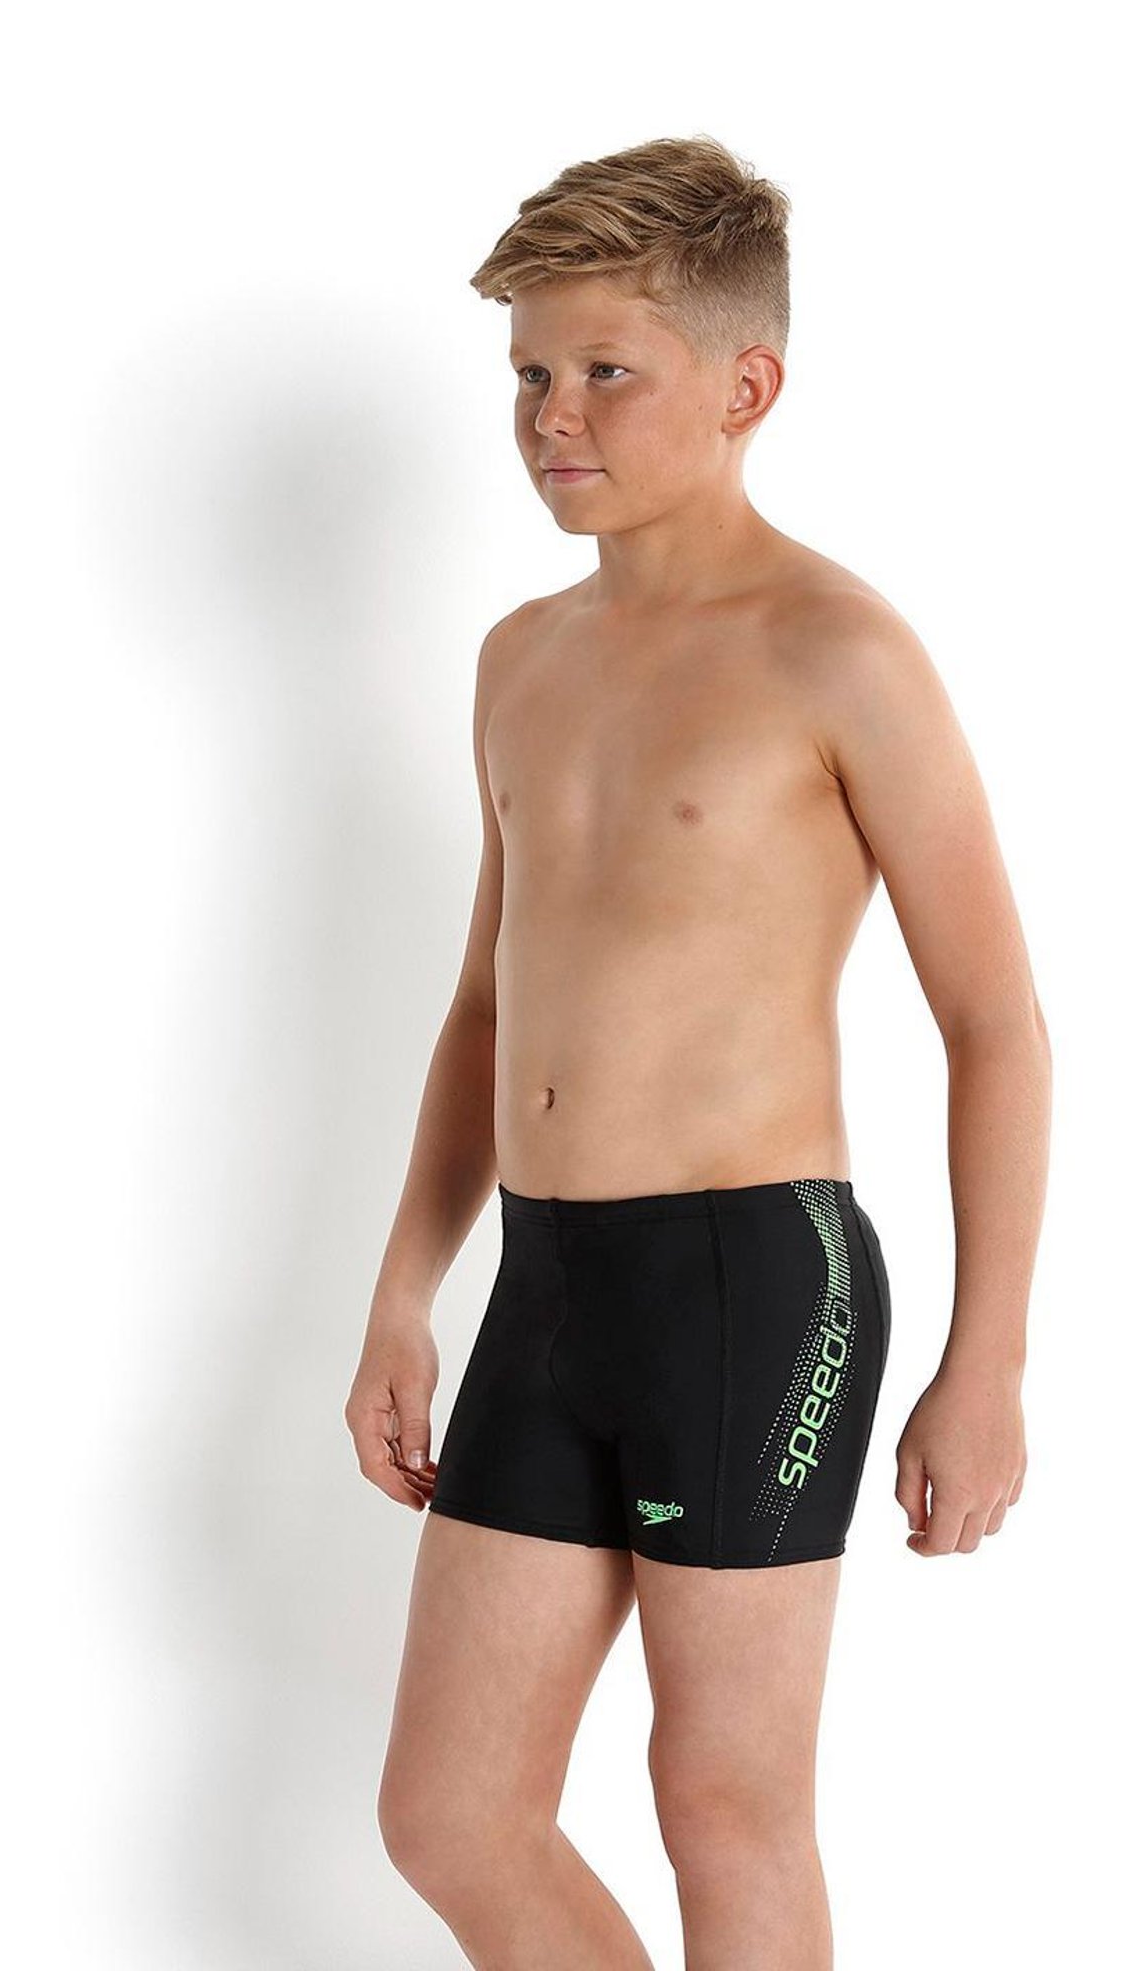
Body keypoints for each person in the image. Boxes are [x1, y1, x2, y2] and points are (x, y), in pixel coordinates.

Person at [345, 133, 1050, 1970]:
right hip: (545, 1278)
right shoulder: (519, 658)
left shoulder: (840, 652)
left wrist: (986, 1363)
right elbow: (487, 1003)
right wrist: (406, 1290)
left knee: (724, 1806)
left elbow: (993, 1020)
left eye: (605, 370)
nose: (551, 418)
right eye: (527, 374)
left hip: (751, 1280)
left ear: (749, 388)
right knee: (451, 1817)